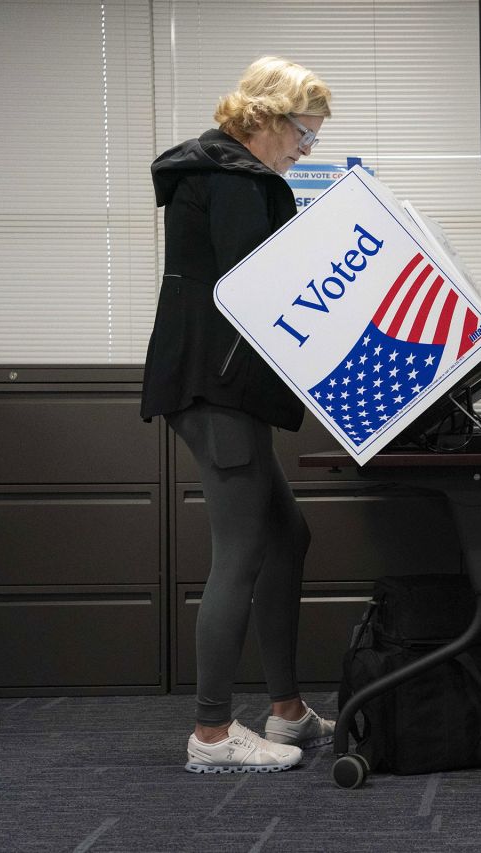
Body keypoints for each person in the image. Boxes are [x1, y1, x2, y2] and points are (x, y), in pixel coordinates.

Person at [141, 56, 336, 773]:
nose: (303, 150)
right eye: (303, 135)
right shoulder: (231, 179)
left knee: (288, 533)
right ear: (266, 119)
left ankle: (286, 713)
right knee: (243, 549)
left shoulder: (231, 174)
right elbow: (263, 284)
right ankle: (212, 734)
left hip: (221, 385)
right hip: (214, 388)